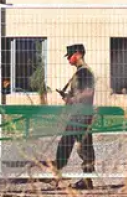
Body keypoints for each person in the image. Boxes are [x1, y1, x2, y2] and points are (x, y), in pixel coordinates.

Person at [51, 44, 96, 190]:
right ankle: (57, 175)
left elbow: (88, 92)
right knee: (67, 144)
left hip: (82, 114)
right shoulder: (80, 72)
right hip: (77, 114)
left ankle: (86, 179)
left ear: (78, 54)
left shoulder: (85, 72)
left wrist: (72, 99)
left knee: (83, 147)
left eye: (70, 56)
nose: (68, 59)